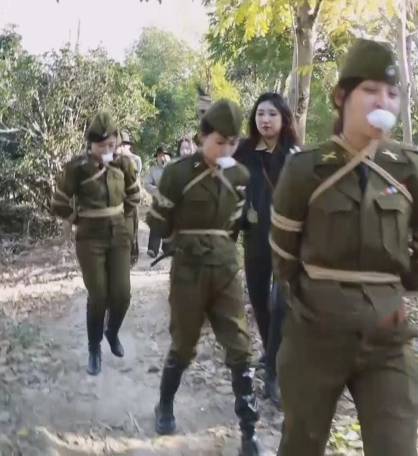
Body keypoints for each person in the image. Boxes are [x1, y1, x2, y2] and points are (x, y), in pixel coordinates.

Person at [269, 39, 418, 456]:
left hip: (387, 340)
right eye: (370, 90)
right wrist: (318, 300)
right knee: (300, 446)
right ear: (340, 97)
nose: (383, 101)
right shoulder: (305, 169)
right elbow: (283, 257)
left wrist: (388, 292)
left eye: (392, 93)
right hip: (314, 336)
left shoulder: (413, 169)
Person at [146, 99, 263, 456]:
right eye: (219, 142)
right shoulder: (178, 173)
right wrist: (180, 240)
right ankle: (165, 405)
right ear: (202, 137)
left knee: (240, 348)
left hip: (225, 269)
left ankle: (249, 432)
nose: (226, 150)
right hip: (189, 269)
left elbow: (237, 223)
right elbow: (159, 221)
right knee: (184, 343)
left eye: (232, 143)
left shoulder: (240, 176)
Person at [51, 112, 141, 376]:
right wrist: (78, 218)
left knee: (122, 294)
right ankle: (94, 348)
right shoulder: (76, 168)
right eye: (101, 146)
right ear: (90, 144)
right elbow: (58, 203)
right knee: (99, 295)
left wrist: (123, 222)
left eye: (111, 145)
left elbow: (134, 197)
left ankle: (112, 332)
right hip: (90, 238)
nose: (107, 150)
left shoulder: (124, 165)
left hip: (119, 236)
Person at [232, 92, 299, 407]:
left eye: (272, 114)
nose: (265, 120)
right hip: (255, 235)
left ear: (284, 118)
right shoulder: (244, 151)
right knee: (259, 301)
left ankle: (274, 369)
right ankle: (271, 350)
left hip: (287, 241)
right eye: (260, 114)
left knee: (280, 304)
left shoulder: (295, 155)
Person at [117, 130, 143, 267]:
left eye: (124, 144)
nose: (122, 147)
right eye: (120, 144)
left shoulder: (135, 159)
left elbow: (136, 178)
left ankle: (132, 254)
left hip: (131, 196)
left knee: (133, 227)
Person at [143, 146, 171, 257]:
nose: (162, 158)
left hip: (171, 201)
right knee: (155, 224)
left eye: (164, 155)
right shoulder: (153, 170)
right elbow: (147, 184)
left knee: (170, 224)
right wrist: (156, 191)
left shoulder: (173, 169)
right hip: (157, 202)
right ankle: (153, 249)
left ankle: (168, 248)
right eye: (160, 156)